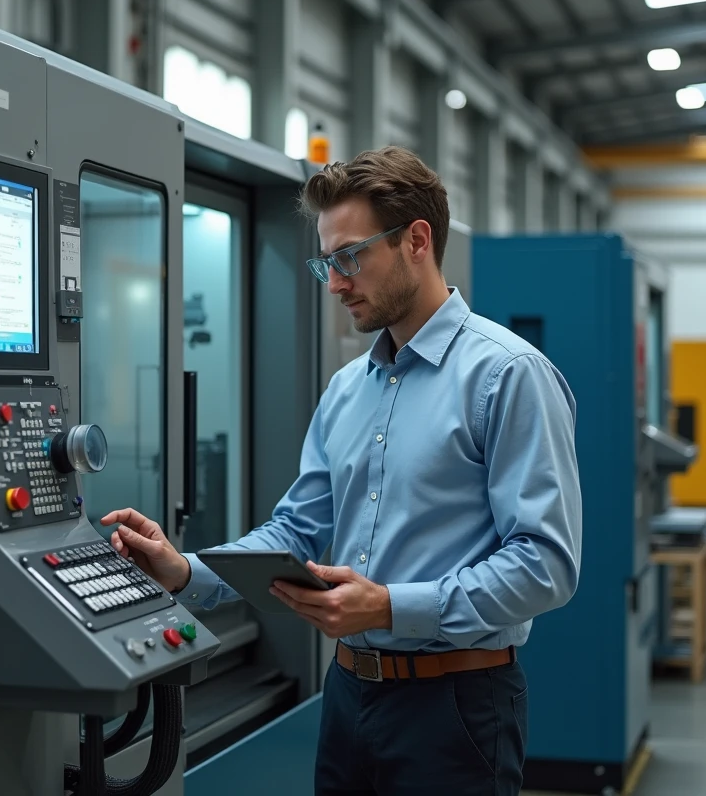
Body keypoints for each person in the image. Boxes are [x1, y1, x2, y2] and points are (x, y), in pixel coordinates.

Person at [101, 146, 583, 795]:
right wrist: (188, 571)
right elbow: (297, 529)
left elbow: (545, 565)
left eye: (350, 257)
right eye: (326, 262)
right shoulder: (347, 389)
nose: (334, 283)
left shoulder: (505, 376)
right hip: (349, 696)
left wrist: (390, 606)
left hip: (458, 708)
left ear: (417, 240)